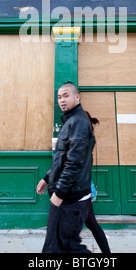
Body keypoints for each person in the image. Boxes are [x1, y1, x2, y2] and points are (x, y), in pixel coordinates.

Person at [37, 82, 95, 253]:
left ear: (77, 97)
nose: (62, 100)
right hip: (67, 195)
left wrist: (60, 193)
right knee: (57, 246)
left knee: (65, 247)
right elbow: (62, 158)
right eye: (59, 97)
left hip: (70, 198)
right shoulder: (71, 121)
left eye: (66, 96)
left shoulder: (78, 122)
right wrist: (47, 178)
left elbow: (74, 162)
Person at [84, 111, 111, 254]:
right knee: (91, 223)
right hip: (78, 187)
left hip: (79, 188)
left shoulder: (86, 138)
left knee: (92, 224)